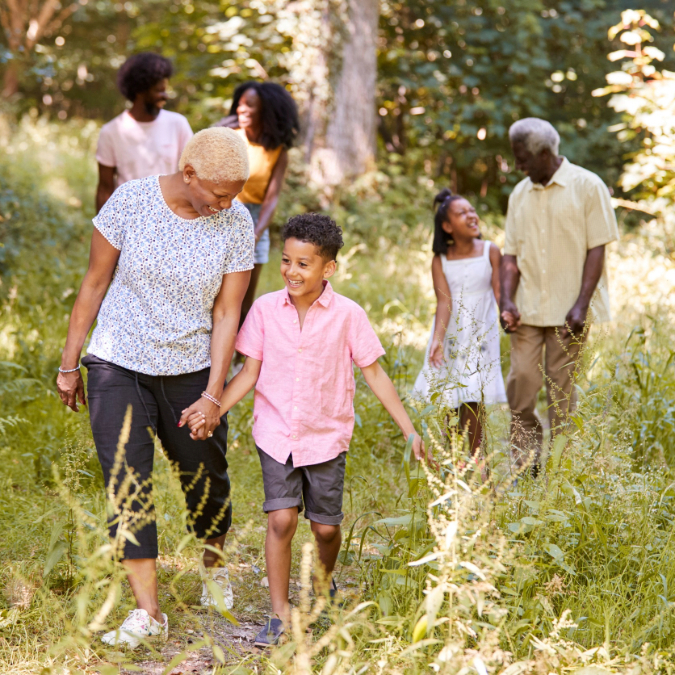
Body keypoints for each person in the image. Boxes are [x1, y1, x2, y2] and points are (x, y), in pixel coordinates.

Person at [183, 214, 426, 647]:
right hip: (276, 433)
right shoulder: (263, 310)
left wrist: (409, 431)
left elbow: (376, 375)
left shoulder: (349, 315)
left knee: (326, 529)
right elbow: (248, 372)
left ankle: (324, 584)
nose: (292, 272)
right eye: (286, 262)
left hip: (326, 435)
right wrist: (214, 405)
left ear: (328, 268)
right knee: (280, 520)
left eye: (304, 264)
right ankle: (279, 614)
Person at [56, 128, 254, 648]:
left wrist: (214, 393)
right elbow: (94, 282)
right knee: (127, 481)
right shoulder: (131, 202)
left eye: (235, 192)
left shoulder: (235, 221)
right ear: (189, 173)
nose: (226, 203)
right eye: (218, 192)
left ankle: (214, 565)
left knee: (205, 474)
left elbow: (228, 310)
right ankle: (149, 612)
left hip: (192, 369)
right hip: (118, 360)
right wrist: (69, 363)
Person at [500, 117, 619, 469]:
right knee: (521, 384)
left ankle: (562, 473)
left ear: (546, 153)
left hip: (570, 312)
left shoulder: (587, 186)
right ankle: (526, 465)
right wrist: (506, 300)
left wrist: (582, 305)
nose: (518, 165)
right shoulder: (520, 194)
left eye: (523, 158)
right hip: (527, 310)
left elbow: (597, 249)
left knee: (561, 395)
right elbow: (510, 254)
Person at [412, 189, 506, 466]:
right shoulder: (440, 260)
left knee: (474, 397)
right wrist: (437, 341)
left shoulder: (490, 251)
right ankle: (455, 462)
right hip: (453, 335)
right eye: (462, 213)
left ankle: (478, 463)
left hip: (481, 336)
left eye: (472, 210)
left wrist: (509, 319)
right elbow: (444, 302)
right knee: (451, 397)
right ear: (447, 226)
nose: (471, 215)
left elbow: (499, 293)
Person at [215, 81, 299, 330]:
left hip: (256, 219)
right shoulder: (229, 138)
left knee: (243, 296)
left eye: (249, 105)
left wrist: (256, 233)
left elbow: (271, 198)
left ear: (266, 110)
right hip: (224, 211)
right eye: (239, 104)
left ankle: (241, 355)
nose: (242, 109)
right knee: (216, 290)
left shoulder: (277, 150)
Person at [95, 52, 193, 212]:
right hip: (129, 219)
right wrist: (102, 232)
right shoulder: (111, 132)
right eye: (159, 91)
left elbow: (193, 176)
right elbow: (105, 188)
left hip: (171, 218)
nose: (165, 96)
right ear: (140, 91)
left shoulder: (178, 124)